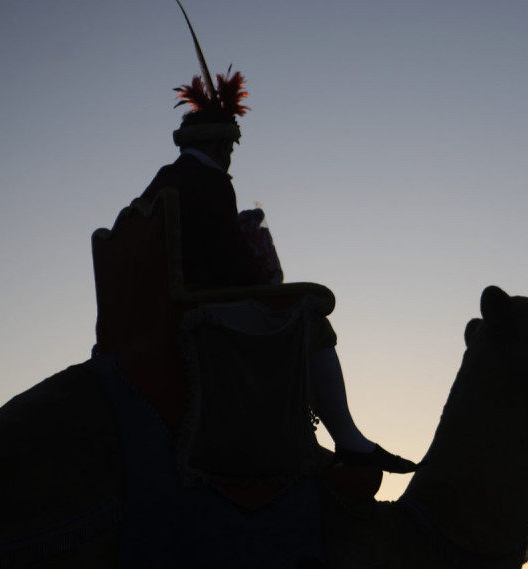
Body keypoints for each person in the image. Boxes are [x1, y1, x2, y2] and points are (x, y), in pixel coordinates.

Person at [139, 25, 415, 474]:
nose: (231, 155)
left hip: (171, 308)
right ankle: (349, 439)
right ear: (214, 142)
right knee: (311, 315)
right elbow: (233, 267)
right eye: (229, 145)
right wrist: (267, 278)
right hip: (205, 311)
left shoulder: (163, 182)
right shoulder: (210, 182)